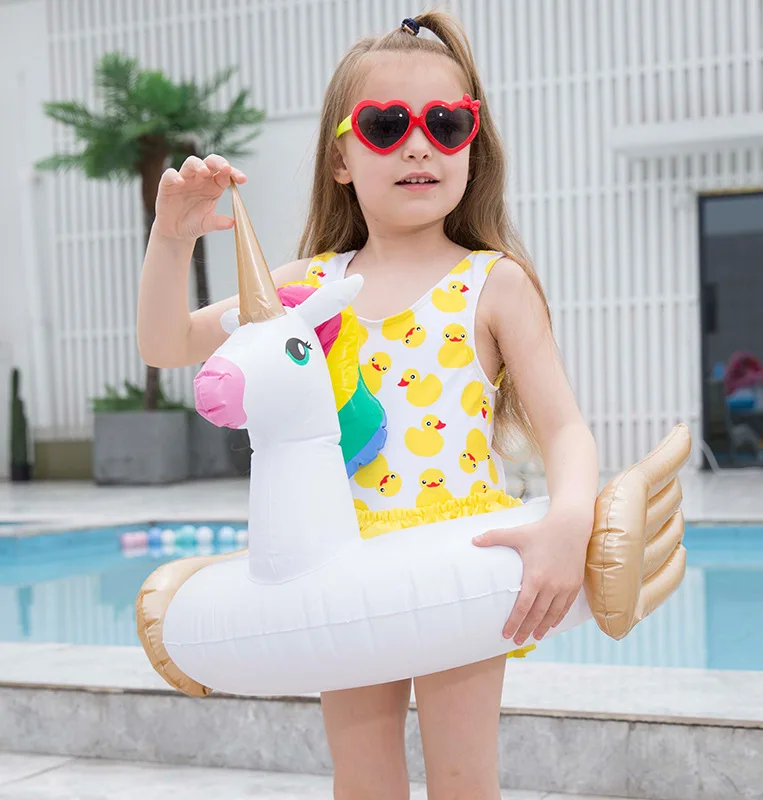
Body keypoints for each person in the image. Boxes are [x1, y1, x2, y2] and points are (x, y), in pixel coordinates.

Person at [137, 10, 598, 800]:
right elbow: (167, 343)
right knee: (363, 779)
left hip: (459, 560)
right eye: (387, 125)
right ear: (341, 157)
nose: (419, 145)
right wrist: (173, 239)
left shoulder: (494, 283)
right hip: (343, 572)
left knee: (464, 778)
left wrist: (570, 519)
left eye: (445, 124)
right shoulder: (302, 289)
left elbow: (565, 429)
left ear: (472, 144)